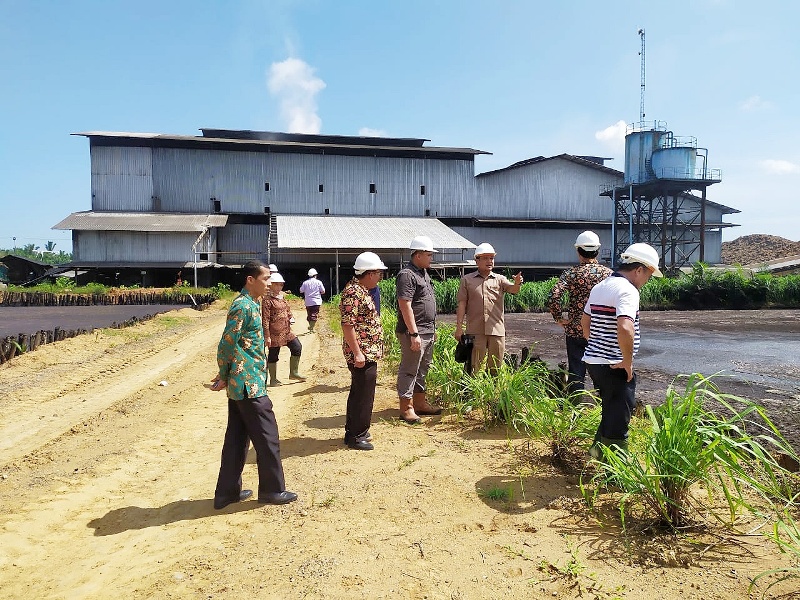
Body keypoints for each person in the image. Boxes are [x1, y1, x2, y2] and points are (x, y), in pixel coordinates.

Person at [209, 260, 297, 508]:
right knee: (268, 437)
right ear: (251, 280)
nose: (269, 283)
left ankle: (227, 493)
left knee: (237, 439)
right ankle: (272, 490)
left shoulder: (253, 303)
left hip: (246, 383)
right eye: (265, 278)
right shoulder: (243, 306)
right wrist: (223, 374)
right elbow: (227, 343)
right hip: (249, 385)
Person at [581, 243, 662, 458]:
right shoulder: (628, 290)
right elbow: (625, 326)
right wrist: (627, 361)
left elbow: (585, 322)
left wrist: (597, 345)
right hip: (614, 364)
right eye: (649, 275)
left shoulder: (601, 286)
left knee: (610, 409)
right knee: (620, 418)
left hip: (594, 362)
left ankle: (596, 455)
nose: (647, 281)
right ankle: (615, 474)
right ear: (639, 270)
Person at [547, 231, 613, 399]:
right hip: (599, 331)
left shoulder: (571, 273)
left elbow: (554, 294)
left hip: (575, 330)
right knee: (601, 372)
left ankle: (574, 408)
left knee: (576, 372)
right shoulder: (608, 274)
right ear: (597, 251)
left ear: (578, 251)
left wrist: (559, 318)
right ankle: (603, 409)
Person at [339, 252, 388, 450]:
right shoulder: (354, 293)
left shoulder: (361, 290)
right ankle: (356, 435)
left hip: (367, 351)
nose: (379, 277)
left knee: (361, 392)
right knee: (363, 395)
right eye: (378, 273)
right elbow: (347, 325)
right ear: (369, 273)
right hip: (362, 353)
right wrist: (358, 353)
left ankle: (355, 431)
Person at [454, 242, 523, 375]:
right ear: (476, 260)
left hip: (496, 331)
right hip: (475, 331)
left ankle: (492, 394)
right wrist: (459, 327)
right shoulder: (467, 280)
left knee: (495, 368)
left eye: (491, 258)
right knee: (474, 368)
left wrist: (517, 283)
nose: (489, 261)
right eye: (485, 258)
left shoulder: (500, 279)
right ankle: (472, 394)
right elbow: (461, 304)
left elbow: (513, 290)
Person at [396, 236, 443, 424]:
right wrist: (414, 333)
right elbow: (405, 304)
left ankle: (420, 403)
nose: (431, 258)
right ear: (418, 255)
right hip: (414, 333)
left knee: (423, 368)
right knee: (409, 369)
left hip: (427, 330)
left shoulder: (423, 273)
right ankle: (406, 408)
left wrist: (432, 329)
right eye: (429, 254)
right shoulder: (407, 275)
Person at [262, 273, 306, 386]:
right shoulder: (267, 300)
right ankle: (273, 379)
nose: (279, 287)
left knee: (297, 347)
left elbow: (287, 309)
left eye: (281, 285)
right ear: (271, 285)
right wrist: (267, 335)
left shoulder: (282, 297)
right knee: (273, 354)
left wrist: (291, 317)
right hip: (274, 333)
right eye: (277, 285)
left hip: (286, 331)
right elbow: (265, 319)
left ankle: (294, 372)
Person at [298, 268, 326, 332]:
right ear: (315, 275)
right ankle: (311, 327)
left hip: (308, 302)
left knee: (309, 315)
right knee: (314, 314)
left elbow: (301, 291)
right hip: (316, 302)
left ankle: (311, 327)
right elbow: (323, 291)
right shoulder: (319, 282)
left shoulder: (305, 283)